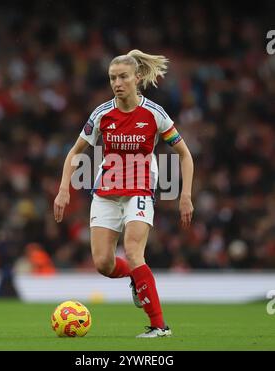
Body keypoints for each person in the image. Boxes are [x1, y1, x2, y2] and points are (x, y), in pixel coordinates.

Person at [54, 49, 194, 338]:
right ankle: (135, 277)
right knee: (103, 263)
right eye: (112, 78)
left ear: (137, 78)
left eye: (123, 77)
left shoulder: (154, 114)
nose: (117, 83)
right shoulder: (102, 113)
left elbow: (184, 154)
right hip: (106, 192)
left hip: (139, 190)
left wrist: (185, 195)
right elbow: (75, 151)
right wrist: (63, 189)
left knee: (133, 251)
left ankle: (159, 326)